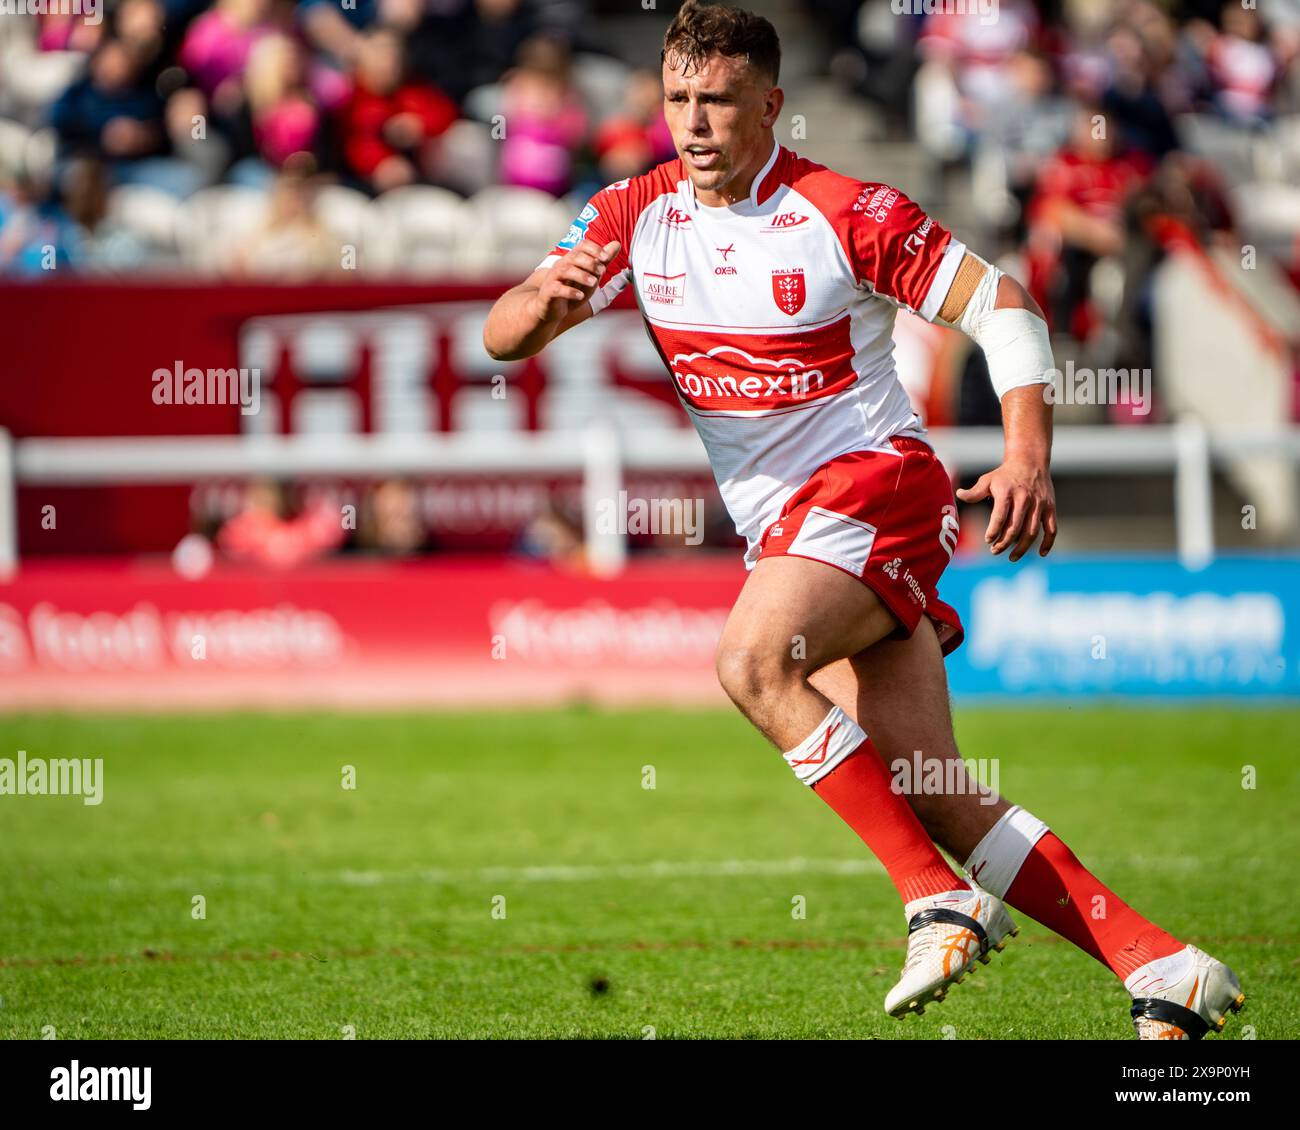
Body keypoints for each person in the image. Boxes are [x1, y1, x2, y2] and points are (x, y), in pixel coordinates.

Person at [482, 1, 1245, 1039]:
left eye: (716, 100)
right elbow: (503, 331)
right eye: (676, 99)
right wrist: (544, 306)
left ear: (771, 104)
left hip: (878, 486)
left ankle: (932, 898)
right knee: (931, 786)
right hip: (796, 531)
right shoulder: (630, 214)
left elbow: (1004, 302)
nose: (694, 123)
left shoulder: (846, 210)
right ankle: (1161, 965)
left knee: (752, 662)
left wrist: (1026, 454)